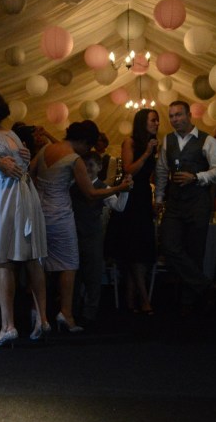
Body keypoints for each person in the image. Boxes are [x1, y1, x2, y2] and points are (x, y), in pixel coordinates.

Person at [34, 120, 132, 331]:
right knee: (69, 264)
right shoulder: (75, 159)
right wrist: (119, 187)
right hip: (60, 216)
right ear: (83, 141)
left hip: (39, 215)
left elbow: (30, 176)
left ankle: (41, 316)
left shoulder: (45, 149)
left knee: (40, 264)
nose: (89, 151)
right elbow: (91, 193)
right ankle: (66, 314)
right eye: (89, 146)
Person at [0, 89, 49, 346]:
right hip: (26, 194)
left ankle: (8, 325)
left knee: (3, 259)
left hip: (7, 196)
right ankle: (42, 317)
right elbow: (21, 163)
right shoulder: (13, 135)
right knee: (31, 257)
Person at [154, 101, 216, 315]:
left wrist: (196, 177)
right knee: (168, 245)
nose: (175, 119)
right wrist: (159, 198)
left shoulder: (208, 140)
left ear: (189, 115)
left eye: (179, 115)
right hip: (175, 204)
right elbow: (161, 171)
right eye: (172, 116)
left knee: (195, 252)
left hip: (198, 204)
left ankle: (189, 302)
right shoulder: (167, 141)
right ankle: (207, 286)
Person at [109, 108, 160, 315]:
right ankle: (144, 299)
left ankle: (130, 300)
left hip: (144, 197)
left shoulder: (154, 145)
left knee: (137, 251)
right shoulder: (130, 142)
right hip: (131, 197)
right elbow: (129, 169)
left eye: (157, 121)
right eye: (153, 120)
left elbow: (152, 175)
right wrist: (147, 152)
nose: (157, 123)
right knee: (135, 251)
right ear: (142, 122)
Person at [72, 151, 129, 329]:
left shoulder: (103, 187)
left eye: (91, 165)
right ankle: (72, 312)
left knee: (93, 275)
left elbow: (119, 207)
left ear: (99, 167)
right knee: (73, 276)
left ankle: (89, 313)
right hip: (73, 234)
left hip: (93, 236)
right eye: (85, 165)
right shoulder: (73, 185)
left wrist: (125, 191)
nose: (88, 169)